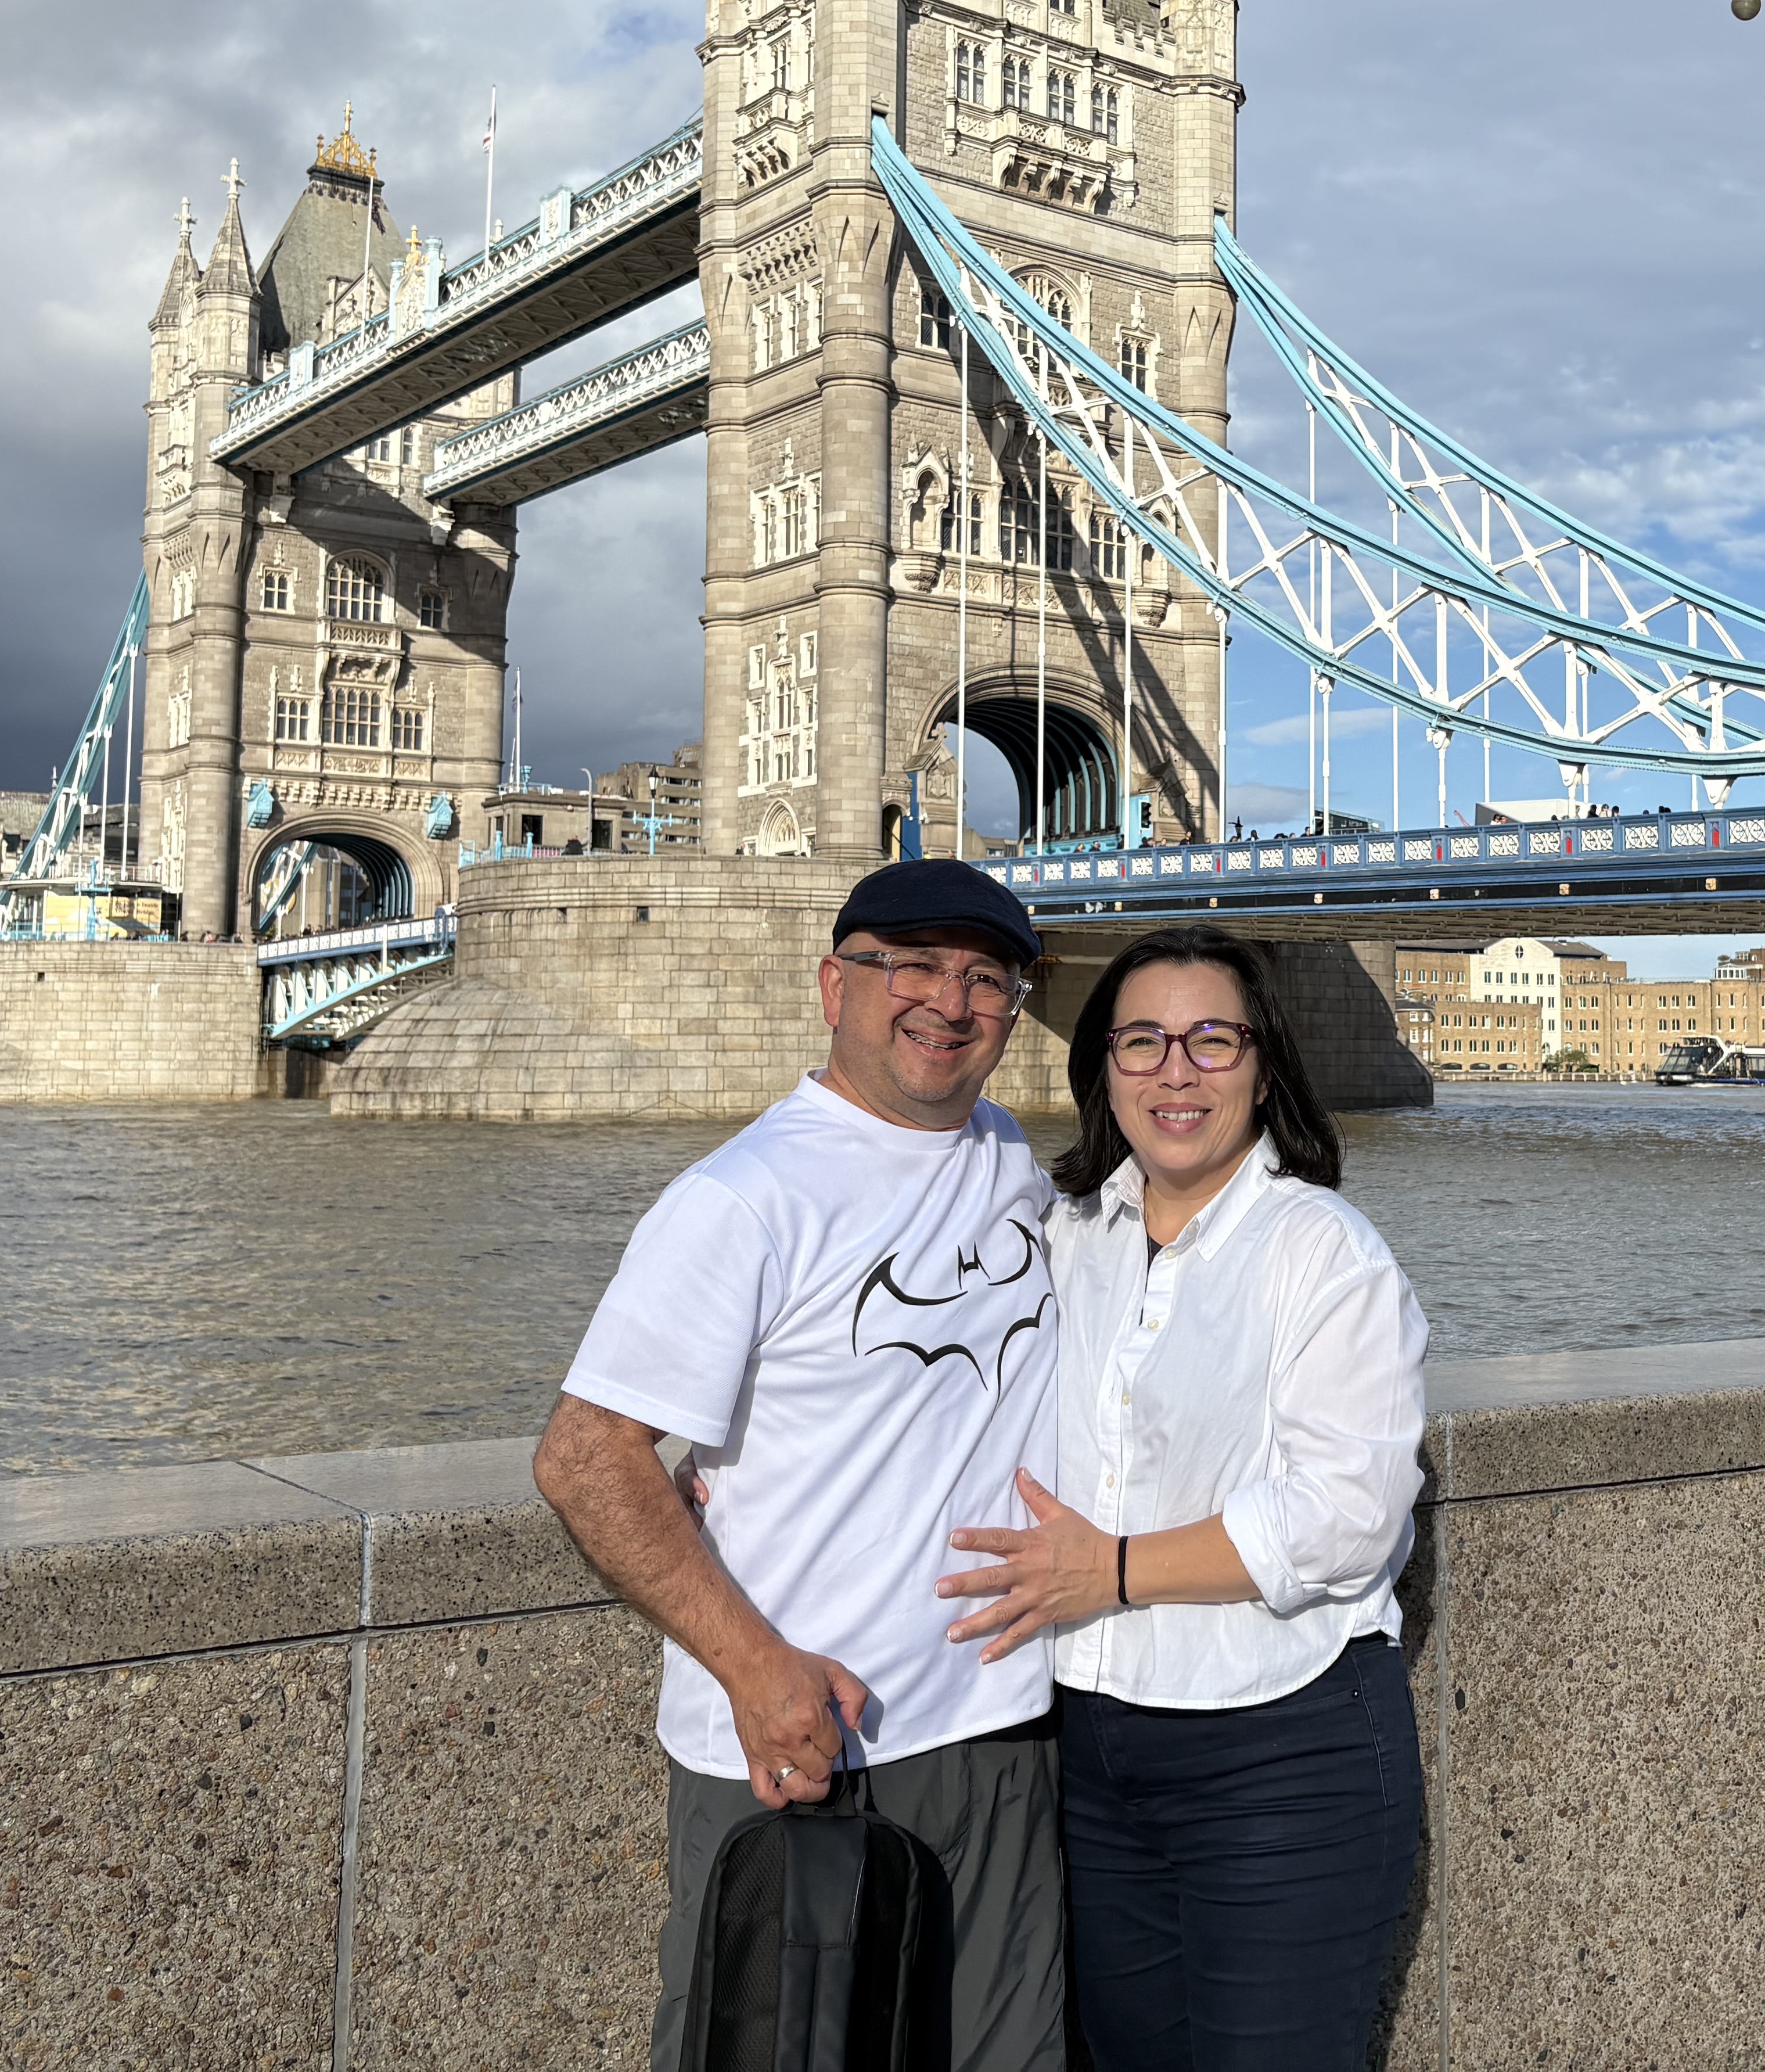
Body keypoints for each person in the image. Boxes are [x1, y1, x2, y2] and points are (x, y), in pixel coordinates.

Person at [534, 857, 1067, 2072]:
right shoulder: (743, 1197)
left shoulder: (1009, 1158)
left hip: (997, 1732)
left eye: (987, 979)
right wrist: (754, 1668)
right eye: (911, 968)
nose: (950, 1003)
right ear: (835, 986)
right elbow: (586, 1456)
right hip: (805, 1745)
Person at [933, 924, 1428, 2072]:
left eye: (1212, 1041)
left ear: (1263, 1065)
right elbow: (932, 1370)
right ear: (1103, 1068)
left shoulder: (1324, 1252)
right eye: (1142, 1042)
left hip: (1282, 1750)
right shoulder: (1058, 1235)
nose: (1177, 1072)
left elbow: (1349, 1515)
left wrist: (1109, 1571)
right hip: (1089, 1749)